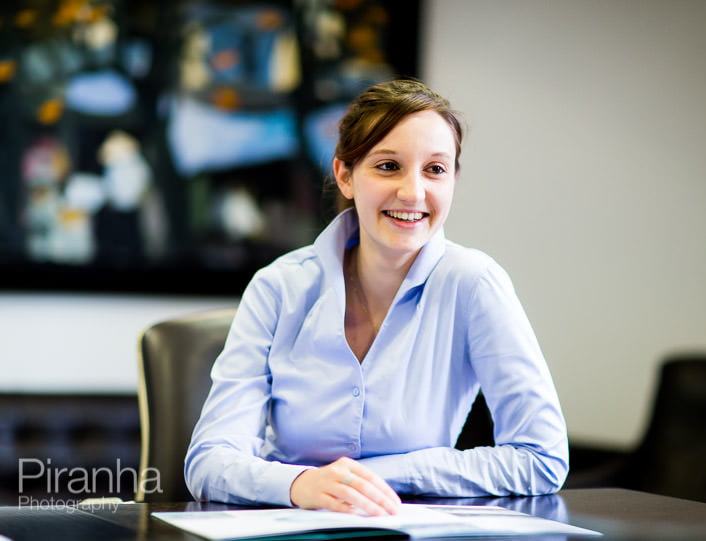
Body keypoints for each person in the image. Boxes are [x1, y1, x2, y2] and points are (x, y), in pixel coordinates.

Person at [185, 79, 568, 516]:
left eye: (435, 169)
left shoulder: (475, 284)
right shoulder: (279, 287)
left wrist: (375, 477)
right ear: (345, 175)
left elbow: (543, 458)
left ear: (454, 180)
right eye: (388, 166)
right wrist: (300, 484)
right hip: (287, 526)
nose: (413, 193)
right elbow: (208, 463)